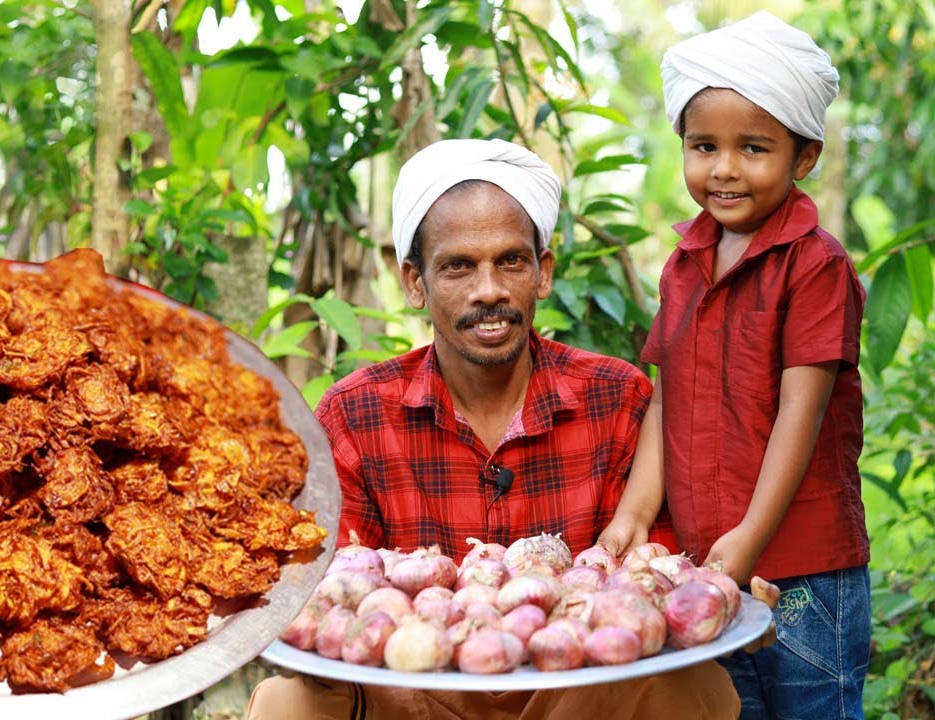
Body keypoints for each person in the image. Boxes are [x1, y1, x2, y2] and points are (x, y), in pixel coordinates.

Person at [246, 138, 739, 719]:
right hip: (414, 693)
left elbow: (649, 582)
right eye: (458, 266)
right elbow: (334, 598)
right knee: (289, 701)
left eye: (511, 260)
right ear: (414, 283)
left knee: (693, 687)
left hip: (576, 691)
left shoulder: (616, 396)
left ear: (544, 271)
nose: (490, 290)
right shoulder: (355, 413)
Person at [596, 11, 870, 720]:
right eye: (703, 146)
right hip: (705, 563)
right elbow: (667, 398)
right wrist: (635, 510)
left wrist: (749, 540)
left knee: (811, 709)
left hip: (802, 565)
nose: (723, 168)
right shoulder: (684, 262)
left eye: (753, 148)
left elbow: (800, 416)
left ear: (803, 156)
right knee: (726, 709)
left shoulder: (815, 265)